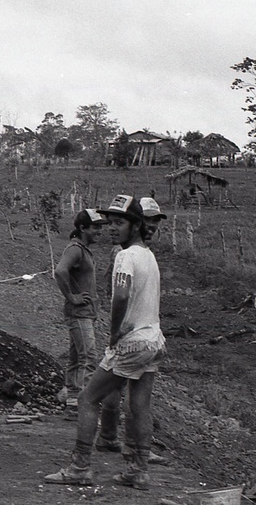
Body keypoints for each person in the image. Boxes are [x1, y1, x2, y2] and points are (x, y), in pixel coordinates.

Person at [46, 194, 166, 490]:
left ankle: (80, 467)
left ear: (135, 225)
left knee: (88, 398)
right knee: (140, 407)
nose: (112, 228)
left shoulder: (125, 257)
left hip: (131, 342)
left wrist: (114, 334)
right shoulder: (147, 254)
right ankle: (139, 471)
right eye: (110, 222)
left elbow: (122, 295)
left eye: (119, 222)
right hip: (154, 341)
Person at [96, 197, 169, 465]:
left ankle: (126, 445)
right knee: (116, 388)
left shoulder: (141, 252)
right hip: (131, 330)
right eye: (149, 221)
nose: (152, 227)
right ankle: (114, 439)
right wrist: (117, 327)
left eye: (155, 222)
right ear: (139, 223)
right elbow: (119, 293)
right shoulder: (125, 252)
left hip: (136, 330)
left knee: (129, 394)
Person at [54, 209, 106, 421]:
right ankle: (87, 403)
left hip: (85, 313)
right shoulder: (75, 250)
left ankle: (74, 403)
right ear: (82, 228)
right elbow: (59, 271)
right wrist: (72, 296)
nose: (99, 231)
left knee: (76, 357)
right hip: (79, 313)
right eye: (95, 227)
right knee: (89, 356)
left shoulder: (84, 250)